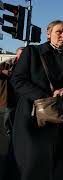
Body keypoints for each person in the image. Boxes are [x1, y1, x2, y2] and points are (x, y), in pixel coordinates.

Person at [10, 20, 63, 180]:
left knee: (61, 163)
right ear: (49, 34)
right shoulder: (32, 52)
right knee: (33, 164)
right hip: (35, 116)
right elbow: (18, 80)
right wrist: (46, 96)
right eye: (59, 31)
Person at [0, 47, 24, 180]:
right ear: (17, 54)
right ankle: (11, 132)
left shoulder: (26, 65)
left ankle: (15, 134)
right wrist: (7, 72)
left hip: (21, 98)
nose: (21, 57)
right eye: (20, 54)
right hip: (9, 97)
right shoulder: (8, 63)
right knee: (8, 118)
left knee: (15, 118)